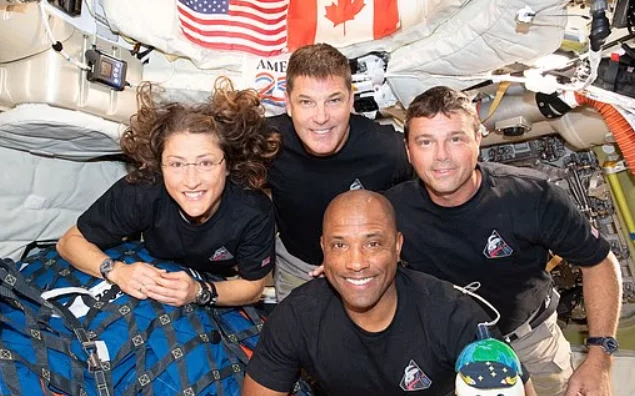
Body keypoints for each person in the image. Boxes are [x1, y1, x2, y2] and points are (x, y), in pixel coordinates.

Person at [384, 86, 622, 396]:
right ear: (408, 150)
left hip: (531, 343)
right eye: (425, 142)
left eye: (455, 139)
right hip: (446, 348)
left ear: (478, 139)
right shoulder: (389, 211)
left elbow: (599, 262)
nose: (441, 156)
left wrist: (600, 358)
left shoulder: (532, 197)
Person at [242, 190, 534, 396]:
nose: (356, 263)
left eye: (373, 244)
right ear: (324, 249)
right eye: (340, 245)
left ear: (397, 246)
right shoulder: (296, 318)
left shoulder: (453, 315)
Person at [57, 79, 279, 307]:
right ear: (159, 166)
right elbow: (68, 242)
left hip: (213, 284)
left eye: (205, 163)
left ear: (229, 164)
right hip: (149, 270)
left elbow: (253, 287)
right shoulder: (142, 190)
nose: (191, 181)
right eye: (176, 164)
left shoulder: (253, 210)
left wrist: (198, 291)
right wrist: (116, 271)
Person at [267, 43, 413, 301]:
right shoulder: (267, 143)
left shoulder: (387, 150)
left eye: (333, 100)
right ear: (288, 104)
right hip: (297, 265)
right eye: (306, 102)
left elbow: (423, 205)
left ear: (351, 101)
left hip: (366, 266)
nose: (321, 117)